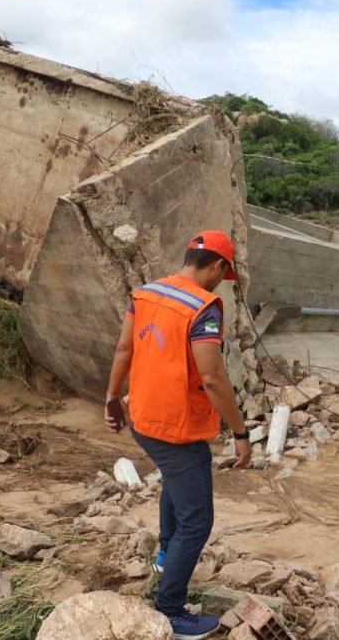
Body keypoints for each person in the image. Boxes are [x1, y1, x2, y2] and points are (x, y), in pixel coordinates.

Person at [105, 229, 251, 640]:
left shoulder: (146, 293)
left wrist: (112, 397)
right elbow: (212, 377)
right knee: (198, 521)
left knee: (176, 482)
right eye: (225, 274)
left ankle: (167, 557)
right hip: (177, 428)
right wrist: (240, 431)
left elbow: (123, 350)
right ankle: (171, 611)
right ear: (219, 266)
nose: (223, 281)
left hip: (142, 417)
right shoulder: (204, 307)